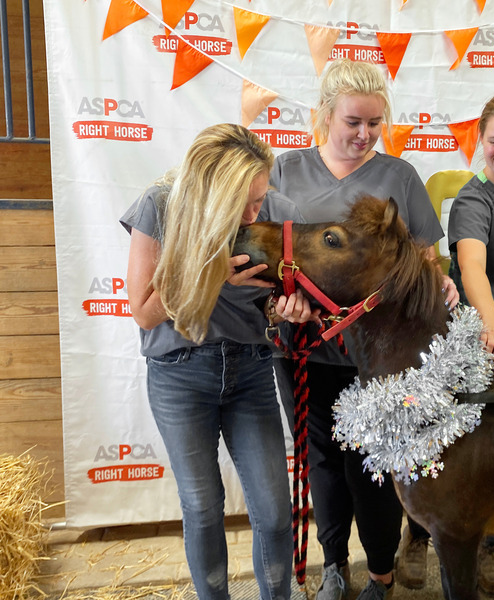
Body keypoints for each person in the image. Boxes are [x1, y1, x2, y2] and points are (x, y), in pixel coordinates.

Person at [269, 58, 458, 600]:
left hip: (378, 356)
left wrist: (438, 282)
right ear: (326, 114)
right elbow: (272, 264)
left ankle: (380, 572)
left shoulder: (398, 176)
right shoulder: (285, 170)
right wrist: (282, 306)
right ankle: (334, 565)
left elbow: (426, 261)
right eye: (353, 121)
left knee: (371, 465)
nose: (364, 134)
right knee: (322, 460)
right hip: (303, 349)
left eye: (374, 123)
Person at [121, 123, 319, 600]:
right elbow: (145, 313)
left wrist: (289, 309)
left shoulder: (279, 214)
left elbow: (283, 306)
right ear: (211, 190)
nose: (257, 212)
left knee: (274, 511)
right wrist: (207, 274)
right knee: (203, 507)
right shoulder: (162, 205)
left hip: (250, 367)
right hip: (178, 374)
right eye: (245, 202)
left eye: (260, 196)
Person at [395, 91, 494, 598]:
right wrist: (492, 323)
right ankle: (419, 535)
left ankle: (488, 545)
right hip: (480, 335)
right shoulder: (471, 198)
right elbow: (471, 269)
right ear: (479, 140)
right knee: (452, 449)